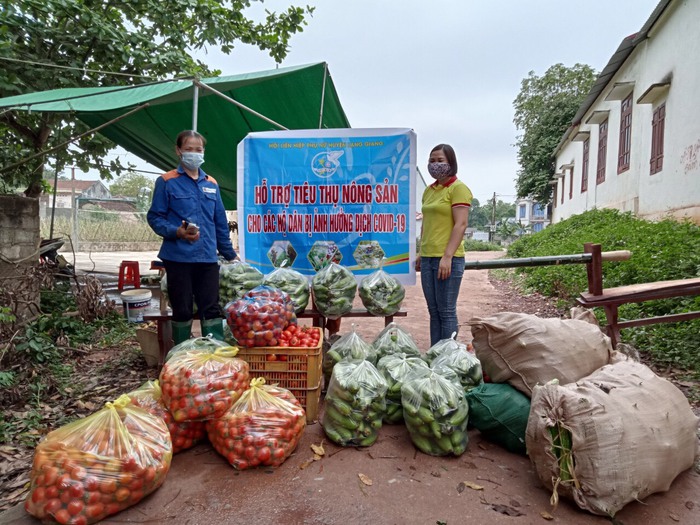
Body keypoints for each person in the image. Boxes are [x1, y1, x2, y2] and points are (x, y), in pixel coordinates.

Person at [147, 130, 238, 344]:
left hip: (207, 257)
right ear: (178, 151)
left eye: (199, 150)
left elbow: (219, 224)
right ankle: (181, 353)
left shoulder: (211, 184)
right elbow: (155, 217)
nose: (194, 154)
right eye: (189, 149)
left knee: (211, 307)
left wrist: (230, 255)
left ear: (204, 152)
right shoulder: (167, 181)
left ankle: (213, 352)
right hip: (178, 257)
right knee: (182, 308)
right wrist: (176, 232)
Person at [415, 144, 472, 346]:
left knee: (446, 311)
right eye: (432, 160)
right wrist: (422, 252)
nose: (435, 164)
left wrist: (447, 256)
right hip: (429, 258)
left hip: (449, 258)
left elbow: (461, 224)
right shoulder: (429, 191)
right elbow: (426, 225)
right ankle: (435, 354)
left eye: (440, 160)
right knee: (434, 311)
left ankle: (448, 358)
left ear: (451, 162)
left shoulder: (459, 189)